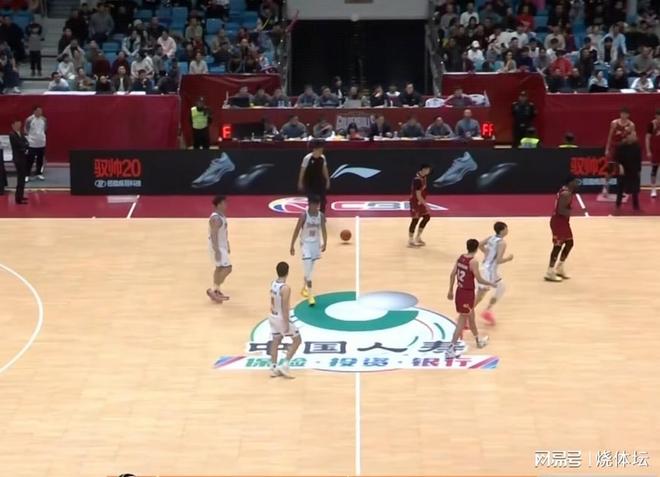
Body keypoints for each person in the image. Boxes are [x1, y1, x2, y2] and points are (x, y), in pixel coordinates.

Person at [445, 239, 495, 359]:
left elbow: (452, 274)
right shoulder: (473, 262)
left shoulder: (461, 258)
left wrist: (450, 290)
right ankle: (450, 348)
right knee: (462, 322)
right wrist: (490, 283)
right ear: (477, 248)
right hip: (467, 294)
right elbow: (479, 279)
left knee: (471, 317)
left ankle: (478, 340)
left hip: (459, 291)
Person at [289, 195, 327, 306]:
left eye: (318, 205)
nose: (316, 207)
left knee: (309, 269)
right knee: (308, 268)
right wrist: (292, 245)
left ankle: (304, 287)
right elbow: (296, 230)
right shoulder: (304, 216)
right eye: (315, 204)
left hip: (315, 244)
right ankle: (310, 296)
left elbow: (324, 230)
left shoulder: (321, 216)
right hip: (305, 244)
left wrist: (325, 242)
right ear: (310, 204)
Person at [268, 261, 302, 378]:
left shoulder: (273, 283)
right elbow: (285, 307)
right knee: (297, 340)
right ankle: (285, 364)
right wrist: (287, 322)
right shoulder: (285, 288)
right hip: (281, 318)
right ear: (288, 272)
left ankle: (273, 367)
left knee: (276, 340)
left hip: (272, 315)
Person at [475, 221, 513, 324]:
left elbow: (479, 244)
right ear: (502, 230)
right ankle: (464, 316)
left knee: (501, 288)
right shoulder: (502, 243)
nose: (507, 230)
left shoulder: (491, 238)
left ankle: (487, 310)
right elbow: (498, 260)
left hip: (489, 269)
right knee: (480, 296)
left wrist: (486, 252)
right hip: (488, 272)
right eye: (506, 228)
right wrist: (508, 258)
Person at [545, 176, 579, 282]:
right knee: (557, 246)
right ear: (570, 182)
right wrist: (572, 211)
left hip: (563, 222)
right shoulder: (566, 194)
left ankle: (559, 267)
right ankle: (550, 271)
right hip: (558, 222)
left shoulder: (566, 191)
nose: (577, 184)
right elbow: (561, 210)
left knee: (569, 243)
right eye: (575, 182)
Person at [603, 108, 635, 198]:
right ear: (620, 114)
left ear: (628, 115)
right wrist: (607, 149)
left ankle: (622, 190)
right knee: (610, 168)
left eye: (625, 114)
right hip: (614, 147)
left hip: (624, 149)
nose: (623, 115)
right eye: (622, 114)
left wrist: (631, 149)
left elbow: (632, 139)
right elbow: (610, 136)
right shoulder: (614, 123)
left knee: (623, 170)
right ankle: (605, 187)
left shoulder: (631, 125)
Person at [206, 195, 232, 303]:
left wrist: (227, 243)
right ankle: (213, 290)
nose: (226, 205)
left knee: (219, 268)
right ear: (219, 204)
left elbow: (224, 232)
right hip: (217, 246)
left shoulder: (221, 216)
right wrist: (217, 250)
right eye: (224, 203)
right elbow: (213, 235)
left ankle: (216, 290)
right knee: (228, 268)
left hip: (221, 246)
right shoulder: (216, 218)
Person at [297, 141, 330, 213]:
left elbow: (324, 169)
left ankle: (321, 215)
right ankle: (311, 215)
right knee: (312, 200)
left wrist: (327, 180)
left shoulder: (322, 157)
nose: (321, 151)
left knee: (323, 201)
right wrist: (300, 182)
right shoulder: (307, 158)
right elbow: (302, 171)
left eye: (322, 150)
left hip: (319, 181)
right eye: (320, 150)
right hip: (309, 182)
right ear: (315, 149)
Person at [615, 133, 642, 211]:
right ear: (627, 137)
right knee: (620, 187)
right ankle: (618, 204)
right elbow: (616, 158)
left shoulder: (637, 147)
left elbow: (639, 160)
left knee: (635, 188)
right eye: (633, 136)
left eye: (635, 136)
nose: (635, 137)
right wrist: (620, 166)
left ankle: (636, 206)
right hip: (623, 169)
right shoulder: (621, 147)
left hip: (633, 169)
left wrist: (639, 170)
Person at [408, 164, 432, 247]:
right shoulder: (417, 180)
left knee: (427, 217)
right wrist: (426, 204)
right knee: (415, 220)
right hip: (415, 202)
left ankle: (418, 237)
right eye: (428, 170)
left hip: (420, 201)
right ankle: (410, 241)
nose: (429, 171)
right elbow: (418, 195)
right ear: (423, 169)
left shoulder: (424, 177)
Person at [24, 106, 47, 181]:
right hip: (32, 143)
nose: (40, 112)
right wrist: (30, 138)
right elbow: (26, 129)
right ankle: (27, 175)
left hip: (41, 143)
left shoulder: (44, 119)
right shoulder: (29, 119)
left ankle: (39, 173)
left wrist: (41, 136)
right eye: (38, 111)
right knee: (30, 160)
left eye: (41, 111)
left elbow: (45, 129)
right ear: (34, 111)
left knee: (40, 159)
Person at [9, 118, 29, 204]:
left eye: (20, 124)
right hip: (18, 158)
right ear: (13, 125)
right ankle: (18, 198)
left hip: (23, 157)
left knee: (22, 177)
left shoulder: (20, 133)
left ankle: (20, 195)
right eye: (17, 124)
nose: (19, 126)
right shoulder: (12, 134)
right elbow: (19, 144)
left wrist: (25, 145)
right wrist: (24, 146)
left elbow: (26, 142)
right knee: (20, 178)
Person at [646, 109, 660, 198]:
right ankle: (653, 189)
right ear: (656, 116)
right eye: (658, 116)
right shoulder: (651, 124)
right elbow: (647, 138)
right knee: (654, 170)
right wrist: (648, 151)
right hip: (655, 150)